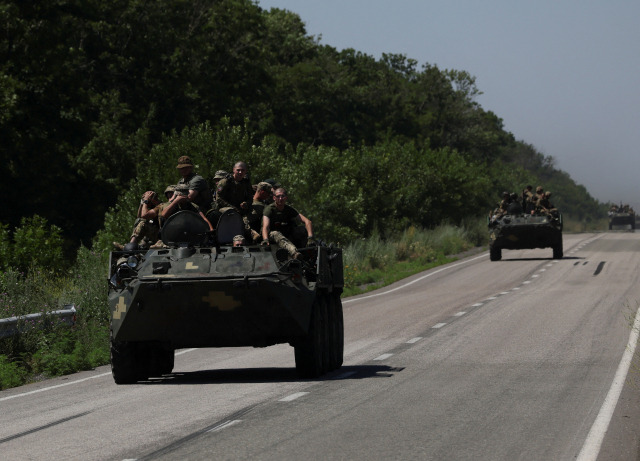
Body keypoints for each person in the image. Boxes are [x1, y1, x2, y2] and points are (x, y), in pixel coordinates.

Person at [261, 187, 314, 259]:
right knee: (276, 233)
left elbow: (307, 222)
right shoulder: (269, 209)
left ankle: (311, 254)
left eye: (282, 196)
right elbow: (265, 227)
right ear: (274, 198)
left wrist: (310, 237)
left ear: (286, 198)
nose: (280, 199)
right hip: (271, 235)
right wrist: (265, 240)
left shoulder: (288, 209)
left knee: (301, 230)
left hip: (285, 234)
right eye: (278, 196)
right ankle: (294, 253)